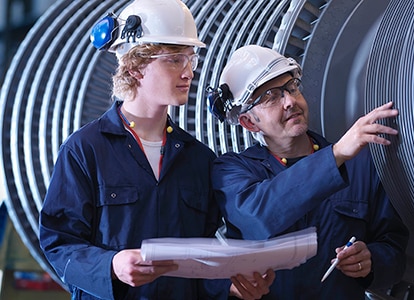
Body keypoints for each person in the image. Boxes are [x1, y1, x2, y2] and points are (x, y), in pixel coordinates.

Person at [38, 1, 273, 299]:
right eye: (175, 59)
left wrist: (229, 285)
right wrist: (111, 264)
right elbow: (59, 244)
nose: (189, 72)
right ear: (136, 67)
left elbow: (200, 263)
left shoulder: (198, 158)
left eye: (191, 59)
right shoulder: (86, 150)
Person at [206, 45, 409, 299]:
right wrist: (335, 156)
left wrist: (371, 260)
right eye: (271, 97)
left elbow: (394, 252)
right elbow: (258, 216)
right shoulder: (233, 171)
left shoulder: (360, 167)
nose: (290, 101)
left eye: (291, 88)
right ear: (249, 122)